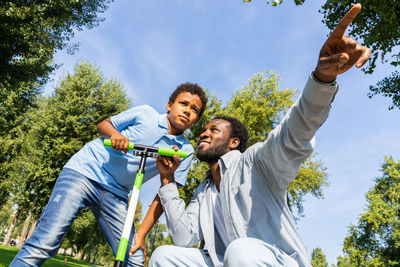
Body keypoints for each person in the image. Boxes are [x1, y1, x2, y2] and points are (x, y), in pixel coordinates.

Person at [149, 4, 371, 267]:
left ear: (233, 143)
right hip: (228, 260)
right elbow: (184, 237)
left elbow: (294, 135)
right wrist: (167, 180)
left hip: (275, 261)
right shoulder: (205, 190)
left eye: (213, 130)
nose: (203, 133)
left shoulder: (255, 162)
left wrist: (322, 79)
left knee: (241, 250)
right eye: (204, 129)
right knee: (165, 256)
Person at [10, 83, 208, 267]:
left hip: (117, 193)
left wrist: (141, 233)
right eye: (183, 104)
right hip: (85, 173)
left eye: (194, 110)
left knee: (134, 257)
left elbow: (164, 194)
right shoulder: (145, 113)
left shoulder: (184, 151)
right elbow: (103, 125)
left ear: (196, 120)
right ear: (169, 105)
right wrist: (115, 135)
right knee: (46, 241)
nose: (187, 110)